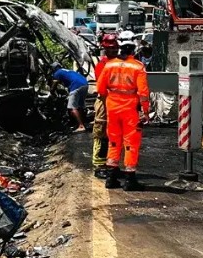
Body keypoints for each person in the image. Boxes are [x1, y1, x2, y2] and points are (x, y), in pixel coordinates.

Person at [97, 30, 150, 191]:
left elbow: (100, 88)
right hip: (130, 110)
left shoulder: (109, 65)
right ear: (134, 49)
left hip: (112, 108)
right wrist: (146, 112)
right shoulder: (138, 67)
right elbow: (143, 93)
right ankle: (130, 180)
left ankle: (111, 178)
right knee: (131, 144)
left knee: (113, 142)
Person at [92, 33, 119, 179]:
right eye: (111, 49)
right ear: (105, 49)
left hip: (117, 103)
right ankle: (99, 165)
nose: (114, 51)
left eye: (115, 49)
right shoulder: (102, 65)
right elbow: (102, 88)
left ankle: (111, 164)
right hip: (104, 101)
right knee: (101, 132)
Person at [51, 63, 90, 132]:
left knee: (72, 108)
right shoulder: (67, 71)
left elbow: (53, 87)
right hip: (85, 84)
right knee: (79, 106)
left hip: (76, 86)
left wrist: (52, 93)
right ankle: (81, 123)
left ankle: (81, 126)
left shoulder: (57, 73)